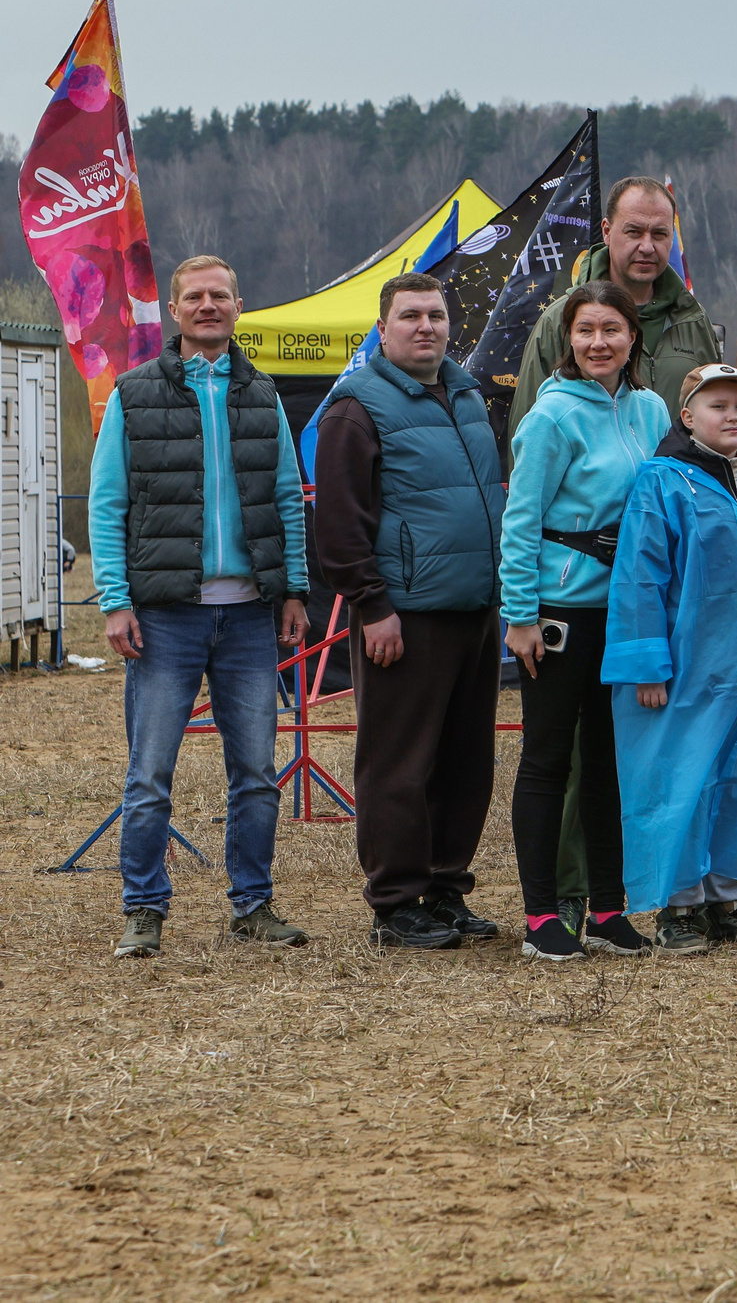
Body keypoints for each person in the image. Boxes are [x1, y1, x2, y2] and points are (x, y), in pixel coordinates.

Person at [96, 256, 311, 960]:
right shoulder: (131, 395)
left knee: (256, 772)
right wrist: (115, 601)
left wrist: (295, 589)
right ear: (176, 309)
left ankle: (253, 904)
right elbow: (108, 506)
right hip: (164, 616)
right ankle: (143, 911)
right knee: (149, 773)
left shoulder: (264, 394)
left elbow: (287, 497)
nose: (209, 305)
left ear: (238, 305)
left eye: (220, 294)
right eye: (196, 296)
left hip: (251, 614)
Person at [313, 273, 510, 950]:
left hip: (474, 609)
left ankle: (446, 888)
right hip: (404, 616)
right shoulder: (355, 407)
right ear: (383, 326)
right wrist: (373, 606)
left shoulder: (466, 393)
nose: (425, 326)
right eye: (410, 316)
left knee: (465, 761)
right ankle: (396, 903)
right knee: (398, 764)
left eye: (435, 314)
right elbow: (340, 524)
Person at [604, 363, 737, 953]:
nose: (732, 416)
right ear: (688, 415)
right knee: (681, 784)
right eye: (717, 405)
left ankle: (725, 897)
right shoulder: (662, 482)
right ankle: (679, 906)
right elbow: (639, 578)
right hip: (685, 674)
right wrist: (646, 663)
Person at [499, 280, 668, 961]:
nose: (599, 342)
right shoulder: (551, 417)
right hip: (559, 606)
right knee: (546, 757)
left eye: (612, 329)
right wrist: (518, 615)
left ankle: (607, 907)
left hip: (624, 609)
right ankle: (542, 914)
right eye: (585, 330)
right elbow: (520, 517)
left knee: (609, 762)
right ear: (568, 339)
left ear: (633, 337)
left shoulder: (653, 409)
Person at [510, 176, 724, 436]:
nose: (647, 247)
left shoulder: (693, 320)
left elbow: (719, 419)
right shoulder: (561, 321)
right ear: (607, 231)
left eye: (659, 234)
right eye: (634, 232)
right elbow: (527, 435)